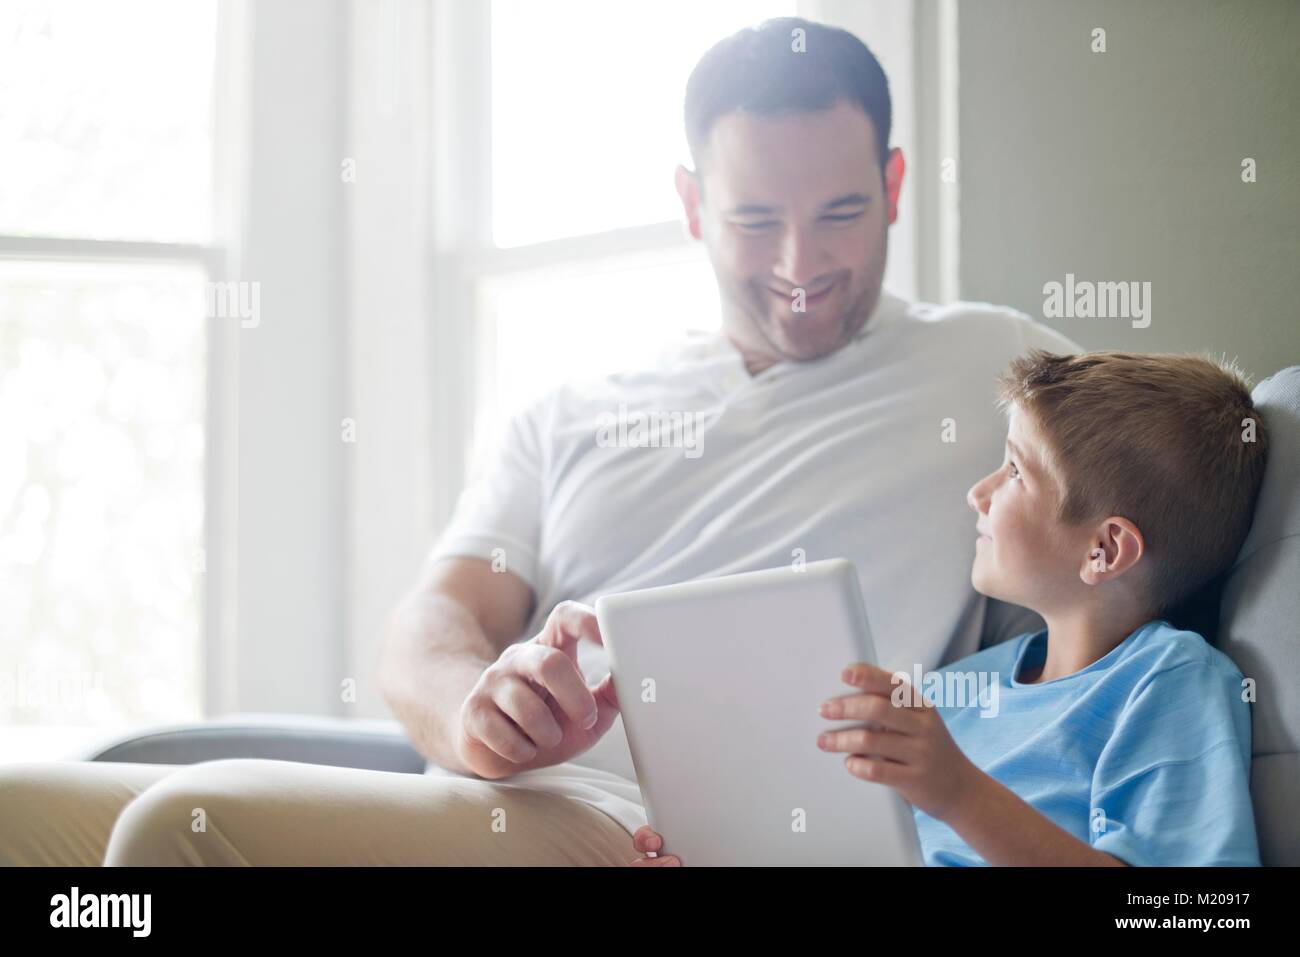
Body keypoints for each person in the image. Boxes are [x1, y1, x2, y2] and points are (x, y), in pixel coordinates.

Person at [0, 17, 1076, 866]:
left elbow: (1182, 466)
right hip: (488, 806)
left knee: (183, 832)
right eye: (756, 222)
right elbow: (431, 624)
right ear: (693, 206)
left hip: (657, 836)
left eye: (841, 213)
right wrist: (480, 709)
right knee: (14, 812)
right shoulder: (569, 408)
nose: (799, 263)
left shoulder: (994, 366)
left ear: (892, 187)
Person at [633, 351, 1267, 866]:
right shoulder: (959, 689)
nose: (978, 492)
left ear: (1104, 549)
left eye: (1016, 471)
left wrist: (960, 794)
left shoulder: (1169, 683)